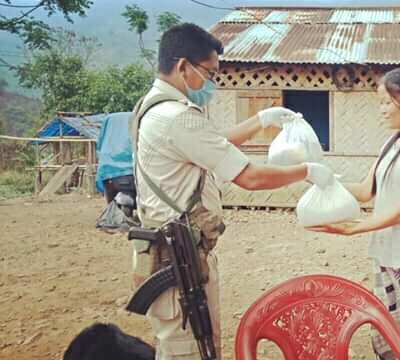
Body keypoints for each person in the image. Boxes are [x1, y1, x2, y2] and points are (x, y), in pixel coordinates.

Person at [130, 23, 334, 359]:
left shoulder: (152, 108)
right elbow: (250, 177)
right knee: (190, 349)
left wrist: (262, 119)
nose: (211, 83)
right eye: (208, 74)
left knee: (183, 343)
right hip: (178, 256)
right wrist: (307, 171)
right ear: (183, 67)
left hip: (168, 249)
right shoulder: (179, 117)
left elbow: (212, 144)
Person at [309, 67, 400, 360]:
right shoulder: (391, 143)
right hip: (386, 253)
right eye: (379, 103)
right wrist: (319, 182)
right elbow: (364, 190)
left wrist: (354, 228)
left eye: (386, 102)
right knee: (385, 338)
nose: (381, 110)